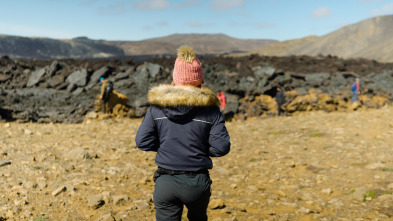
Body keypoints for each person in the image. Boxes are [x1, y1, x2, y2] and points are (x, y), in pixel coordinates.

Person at [135, 46, 231, 221]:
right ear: (199, 79)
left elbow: (142, 141)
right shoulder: (211, 110)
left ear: (175, 78)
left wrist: (166, 147)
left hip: (165, 182)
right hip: (197, 183)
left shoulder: (156, 108)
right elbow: (221, 147)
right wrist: (199, 149)